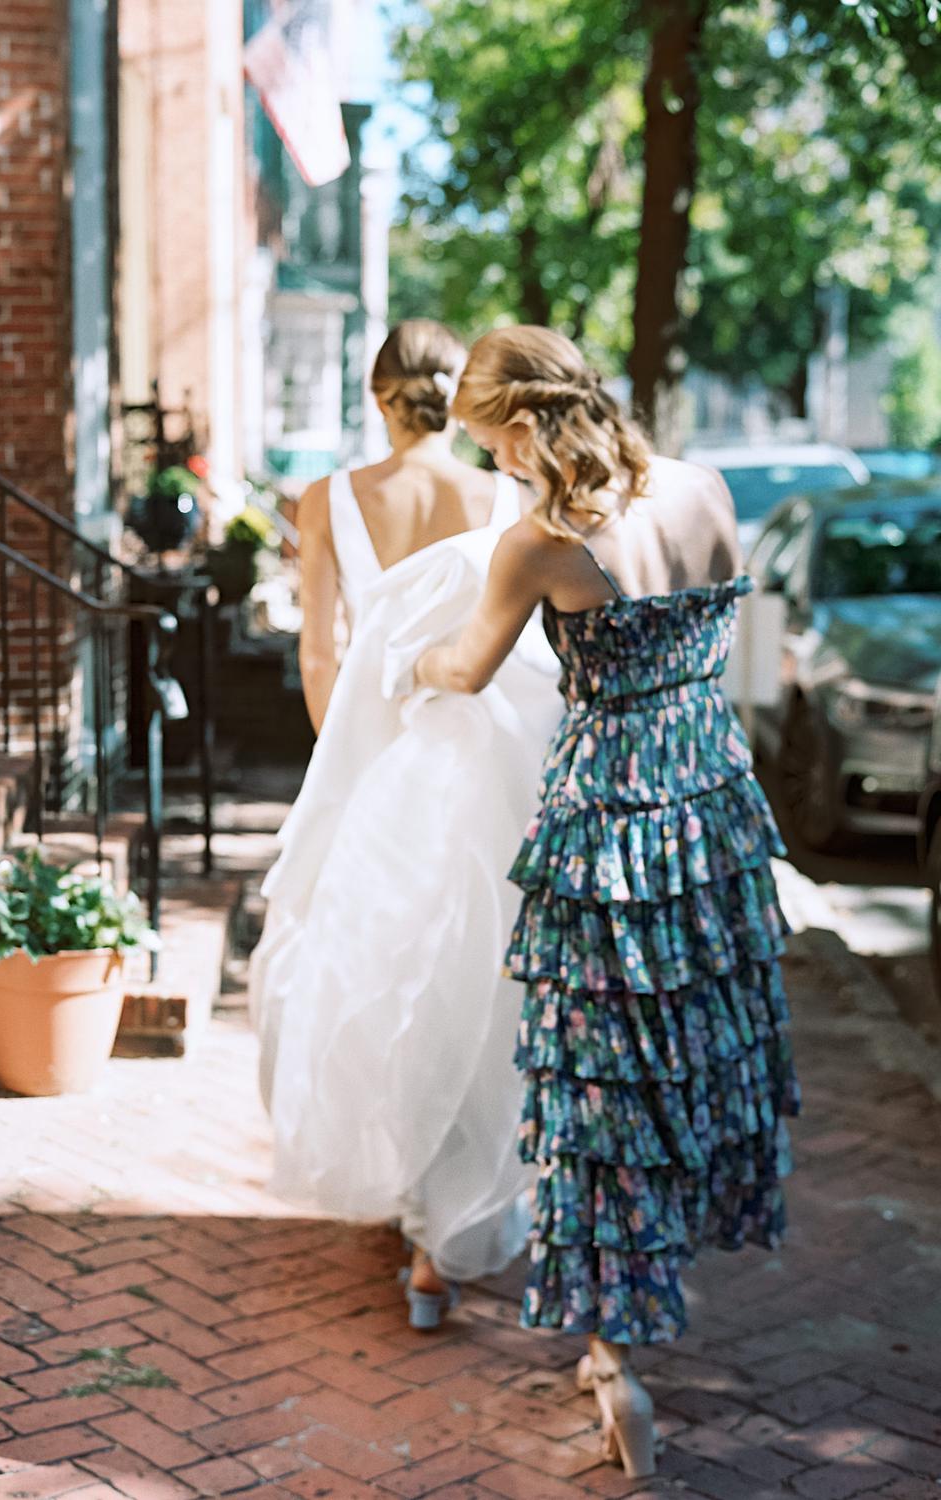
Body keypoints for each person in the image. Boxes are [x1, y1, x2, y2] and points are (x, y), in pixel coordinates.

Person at [414, 326, 799, 1478]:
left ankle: (617, 1356)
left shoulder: (540, 543)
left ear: (525, 426)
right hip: (711, 800)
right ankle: (651, 1292)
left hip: (608, 825)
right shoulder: (704, 486)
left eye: (495, 446)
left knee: (598, 1082)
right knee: (694, 1048)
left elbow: (469, 667)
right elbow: (730, 643)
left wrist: (411, 659)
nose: (499, 470)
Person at [249, 320, 562, 1326]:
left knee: (375, 977)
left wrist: (347, 762)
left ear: (378, 394)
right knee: (474, 980)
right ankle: (444, 1239)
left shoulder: (329, 499)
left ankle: (406, 1196)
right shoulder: (504, 494)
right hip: (484, 762)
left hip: (377, 762)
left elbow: (319, 655)